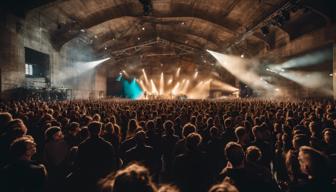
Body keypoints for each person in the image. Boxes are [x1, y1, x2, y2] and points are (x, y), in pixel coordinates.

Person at [70, 121, 118, 192]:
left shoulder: (83, 146)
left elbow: (78, 163)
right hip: (102, 178)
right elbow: (112, 163)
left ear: (89, 131)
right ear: (100, 131)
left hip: (87, 178)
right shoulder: (107, 145)